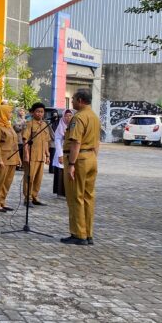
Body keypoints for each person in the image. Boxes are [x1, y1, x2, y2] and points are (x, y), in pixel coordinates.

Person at [62, 90, 100, 246]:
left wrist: (71, 164)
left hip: (79, 159)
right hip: (91, 157)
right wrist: (93, 157)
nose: (71, 102)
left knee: (76, 196)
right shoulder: (94, 117)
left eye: (73, 100)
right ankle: (88, 233)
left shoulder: (79, 117)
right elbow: (97, 142)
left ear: (80, 100)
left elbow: (76, 142)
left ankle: (79, 234)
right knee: (88, 197)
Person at [23, 102, 51, 206]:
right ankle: (27, 198)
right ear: (32, 112)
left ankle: (35, 196)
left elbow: (46, 141)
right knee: (29, 177)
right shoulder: (29, 124)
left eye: (42, 112)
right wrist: (26, 154)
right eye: (37, 111)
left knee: (38, 179)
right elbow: (25, 139)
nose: (40, 114)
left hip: (41, 156)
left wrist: (47, 155)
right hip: (31, 155)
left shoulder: (44, 125)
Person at [52, 109, 72, 197]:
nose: (68, 118)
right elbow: (57, 142)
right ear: (63, 117)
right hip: (62, 152)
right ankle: (60, 192)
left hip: (71, 153)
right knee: (61, 173)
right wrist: (60, 155)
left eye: (70, 116)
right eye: (66, 116)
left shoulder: (74, 126)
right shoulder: (60, 127)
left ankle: (69, 191)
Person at [13, 108, 27, 172]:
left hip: (24, 139)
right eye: (20, 111)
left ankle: (22, 165)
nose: (22, 112)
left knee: (23, 153)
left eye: (23, 111)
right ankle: (17, 165)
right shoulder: (15, 120)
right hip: (18, 139)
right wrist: (23, 125)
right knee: (18, 152)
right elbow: (17, 128)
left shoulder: (26, 120)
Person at [48, 109, 60, 174]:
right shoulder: (50, 123)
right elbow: (50, 132)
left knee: (57, 156)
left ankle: (56, 168)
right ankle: (51, 169)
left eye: (56, 115)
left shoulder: (59, 122)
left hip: (58, 142)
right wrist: (55, 138)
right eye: (54, 116)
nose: (55, 117)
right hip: (52, 142)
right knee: (52, 156)